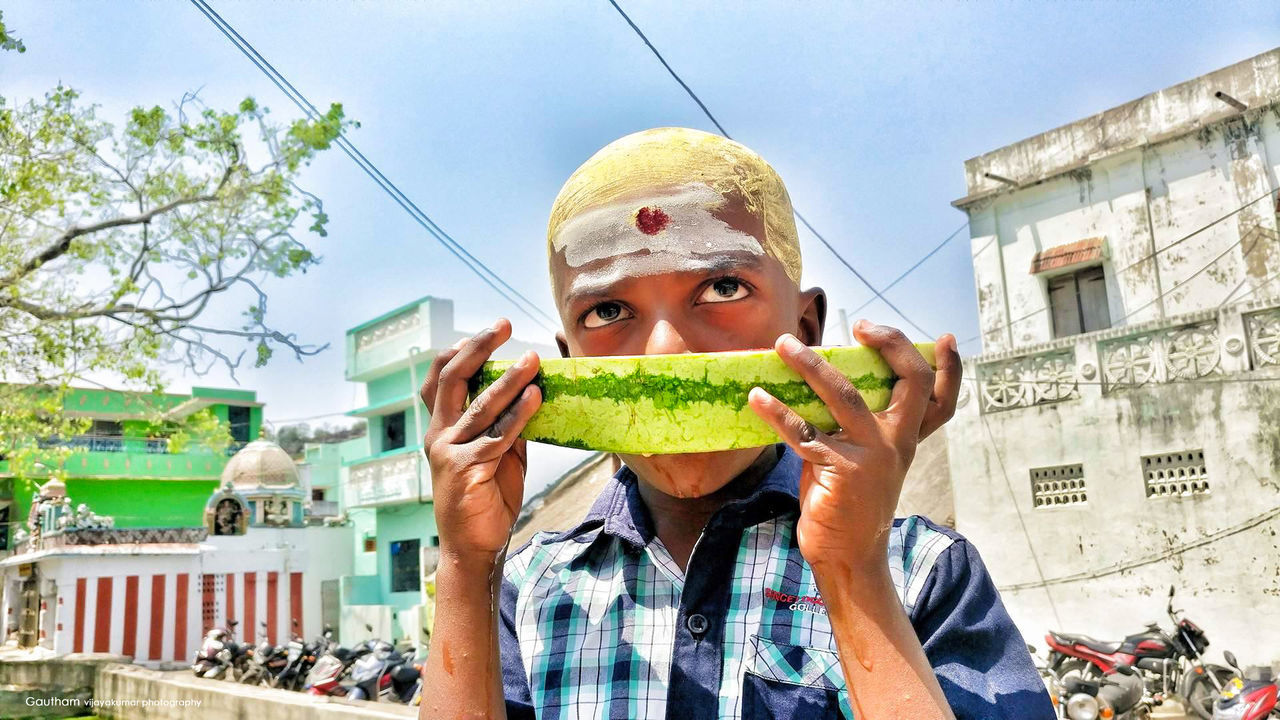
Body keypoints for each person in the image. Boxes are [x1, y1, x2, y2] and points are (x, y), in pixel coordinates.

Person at [419, 128, 1054, 719]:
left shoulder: (923, 571)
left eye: (722, 288)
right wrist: (464, 566)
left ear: (805, 331)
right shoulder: (525, 589)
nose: (664, 351)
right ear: (571, 368)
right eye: (609, 309)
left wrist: (853, 569)